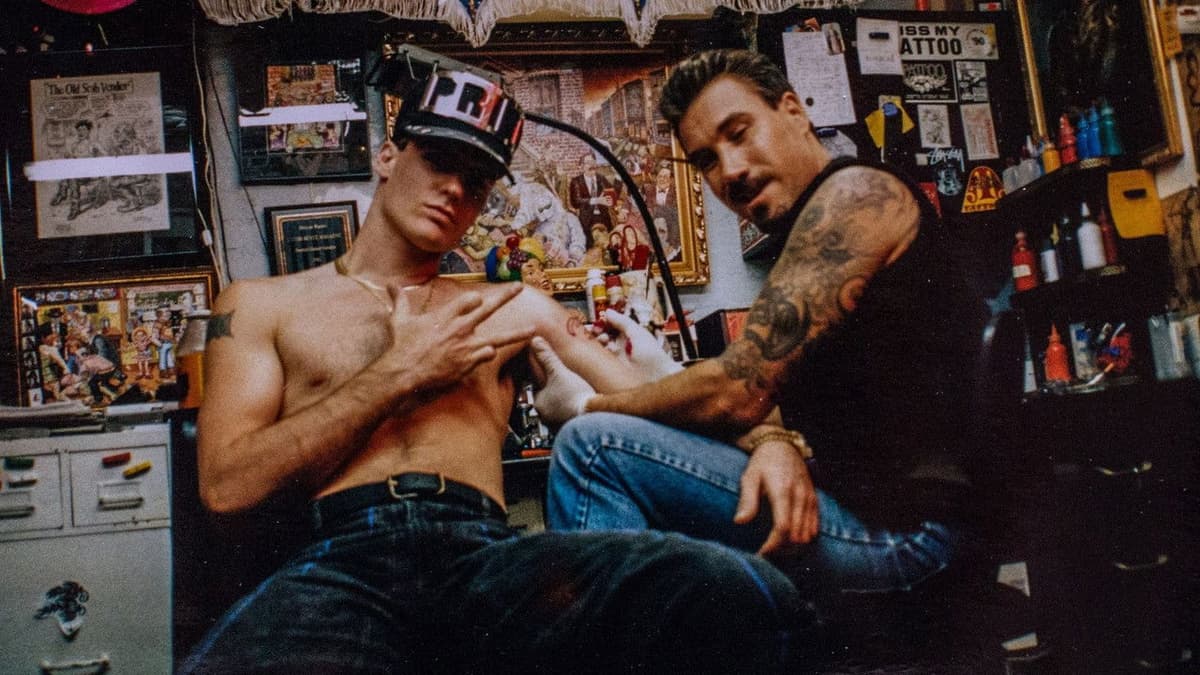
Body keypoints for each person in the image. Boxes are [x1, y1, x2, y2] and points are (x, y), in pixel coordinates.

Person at [180, 64, 806, 674]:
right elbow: (228, 489)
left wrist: (771, 439)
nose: (456, 190)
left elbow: (663, 396)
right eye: (439, 161)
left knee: (738, 588)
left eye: (477, 182)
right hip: (342, 561)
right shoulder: (259, 306)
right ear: (388, 156)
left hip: (483, 558)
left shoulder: (514, 307)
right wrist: (398, 374)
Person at [533, 49, 989, 605]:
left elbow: (737, 390)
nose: (730, 171)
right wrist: (775, 442)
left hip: (911, 541)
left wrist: (584, 405)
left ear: (793, 111)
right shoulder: (808, 231)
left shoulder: (855, 197)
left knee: (592, 447)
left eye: (740, 133)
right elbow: (770, 394)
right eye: (706, 160)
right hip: (876, 514)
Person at [567, 152, 615, 249]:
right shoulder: (576, 181)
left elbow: (612, 193)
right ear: (582, 166)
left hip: (604, 217)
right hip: (586, 220)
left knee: (611, 245)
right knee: (590, 247)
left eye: (593, 162)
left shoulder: (601, 178)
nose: (592, 165)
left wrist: (611, 201)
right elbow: (576, 202)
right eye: (588, 163)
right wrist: (596, 200)